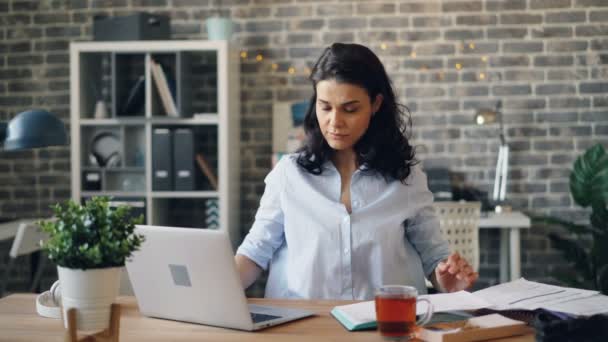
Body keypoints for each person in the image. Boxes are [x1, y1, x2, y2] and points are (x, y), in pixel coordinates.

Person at [235, 43, 478, 300]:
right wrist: (214, 293)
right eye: (325, 107)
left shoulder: (406, 175)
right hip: (303, 326)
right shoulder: (289, 174)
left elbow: (433, 256)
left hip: (388, 323)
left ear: (375, 104)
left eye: (350, 109)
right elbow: (255, 251)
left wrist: (444, 278)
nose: (335, 122)